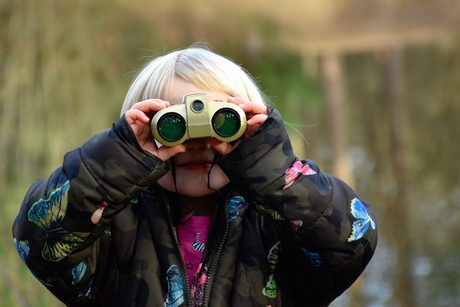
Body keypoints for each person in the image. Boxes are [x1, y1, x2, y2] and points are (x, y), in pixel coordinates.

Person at [12, 43, 377, 307]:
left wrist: (271, 171)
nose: (197, 144)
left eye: (223, 124)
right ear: (136, 137)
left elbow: (349, 244)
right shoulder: (111, 225)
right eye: (172, 126)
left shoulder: (277, 221)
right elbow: (39, 242)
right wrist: (115, 164)